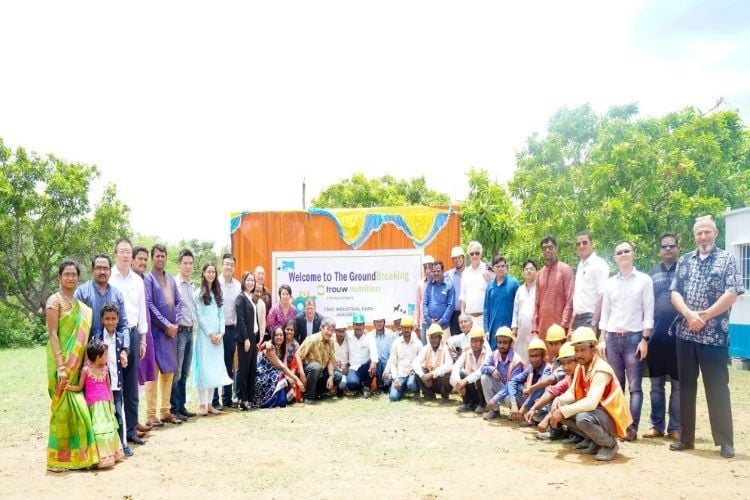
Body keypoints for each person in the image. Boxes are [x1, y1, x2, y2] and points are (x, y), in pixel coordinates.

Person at [669, 215, 744, 458]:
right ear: (695, 236)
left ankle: (725, 442)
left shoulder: (727, 259)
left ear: (715, 233)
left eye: (707, 232)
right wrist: (690, 315)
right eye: (699, 233)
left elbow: (732, 293)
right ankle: (686, 438)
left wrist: (706, 316)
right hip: (686, 333)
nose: (703, 237)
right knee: (686, 387)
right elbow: (675, 293)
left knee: (717, 388)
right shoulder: (684, 261)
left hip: (714, 337)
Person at [74, 254, 132, 456]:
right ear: (92, 270)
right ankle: (91, 450)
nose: (102, 271)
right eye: (98, 268)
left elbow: (124, 325)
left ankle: (118, 446)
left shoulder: (116, 294)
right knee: (91, 407)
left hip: (112, 363)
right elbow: (76, 326)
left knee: (115, 406)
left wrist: (124, 350)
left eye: (105, 268)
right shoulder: (82, 292)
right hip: (86, 361)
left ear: (110, 270)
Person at [45, 259, 99, 471]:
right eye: (66, 274)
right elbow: (53, 334)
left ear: (78, 278)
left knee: (77, 408)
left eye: (73, 274)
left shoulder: (81, 308)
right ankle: (56, 460)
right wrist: (60, 366)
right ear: (60, 277)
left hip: (77, 364)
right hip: (61, 363)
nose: (70, 277)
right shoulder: (54, 302)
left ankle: (76, 457)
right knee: (61, 409)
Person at [550, 327, 632, 462]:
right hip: (598, 414)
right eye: (576, 350)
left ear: (593, 350)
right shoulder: (581, 367)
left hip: (612, 417)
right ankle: (594, 441)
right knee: (560, 410)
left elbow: (591, 402)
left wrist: (563, 410)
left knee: (582, 417)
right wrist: (559, 400)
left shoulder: (601, 369)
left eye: (583, 350)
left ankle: (609, 444)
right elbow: (572, 392)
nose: (578, 354)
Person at [599, 239, 654, 442]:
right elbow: (605, 314)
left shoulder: (644, 280)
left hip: (634, 339)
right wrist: (602, 339)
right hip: (612, 338)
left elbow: (648, 313)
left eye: (626, 251)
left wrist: (645, 340)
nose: (623, 255)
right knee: (616, 386)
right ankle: (617, 425)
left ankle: (632, 428)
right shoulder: (610, 283)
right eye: (619, 252)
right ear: (615, 257)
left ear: (633, 253)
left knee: (635, 387)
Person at [109, 238, 150, 447]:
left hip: (133, 335)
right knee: (115, 383)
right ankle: (116, 431)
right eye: (122, 251)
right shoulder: (110, 279)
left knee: (132, 386)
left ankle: (131, 429)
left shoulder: (137, 281)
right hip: (112, 335)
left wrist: (143, 340)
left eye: (128, 252)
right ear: (115, 254)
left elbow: (142, 312)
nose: (126, 255)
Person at [64, 340, 124, 469]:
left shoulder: (105, 369)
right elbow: (80, 387)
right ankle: (99, 457)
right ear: (98, 357)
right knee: (97, 430)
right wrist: (69, 387)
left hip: (105, 406)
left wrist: (112, 403)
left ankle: (111, 454)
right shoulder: (86, 370)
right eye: (106, 355)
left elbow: (109, 387)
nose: (107, 358)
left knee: (109, 428)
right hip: (93, 406)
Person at [644, 233, 681, 440]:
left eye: (671, 246)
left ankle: (675, 427)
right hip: (656, 339)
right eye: (664, 246)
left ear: (677, 249)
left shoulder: (684, 271)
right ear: (659, 250)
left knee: (678, 386)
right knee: (656, 385)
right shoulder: (652, 274)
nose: (668, 249)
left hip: (679, 339)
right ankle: (657, 426)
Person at [143, 244, 182, 426]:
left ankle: (165, 411)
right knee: (154, 375)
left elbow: (179, 303)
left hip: (170, 335)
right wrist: (166, 325)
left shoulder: (172, 280)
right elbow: (149, 305)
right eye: (157, 256)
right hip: (155, 334)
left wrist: (175, 324)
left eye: (162, 255)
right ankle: (151, 414)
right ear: (152, 258)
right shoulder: (148, 280)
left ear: (166, 258)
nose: (160, 258)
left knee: (169, 374)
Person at [193, 262, 232, 416]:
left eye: (213, 272)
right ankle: (202, 404)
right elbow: (200, 317)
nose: (211, 274)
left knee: (214, 369)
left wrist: (221, 333)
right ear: (203, 273)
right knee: (204, 369)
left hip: (218, 337)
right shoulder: (198, 293)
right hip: (205, 337)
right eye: (208, 271)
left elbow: (221, 315)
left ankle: (210, 404)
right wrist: (210, 334)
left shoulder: (218, 292)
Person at [91, 303, 129, 454]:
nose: (111, 322)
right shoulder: (97, 338)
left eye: (114, 318)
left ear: (118, 319)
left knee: (119, 416)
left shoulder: (120, 339)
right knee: (104, 419)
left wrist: (125, 358)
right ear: (102, 319)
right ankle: (104, 450)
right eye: (107, 319)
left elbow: (124, 358)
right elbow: (93, 359)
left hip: (116, 385)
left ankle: (123, 446)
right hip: (101, 387)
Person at [527, 342, 578, 439]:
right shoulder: (569, 376)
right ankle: (564, 433)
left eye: (569, 362)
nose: (566, 367)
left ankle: (586, 438)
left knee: (582, 417)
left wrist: (546, 419)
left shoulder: (581, 375)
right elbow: (552, 391)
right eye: (563, 363)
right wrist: (533, 408)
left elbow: (568, 401)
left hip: (591, 414)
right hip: (574, 410)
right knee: (553, 398)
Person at [131, 246, 156, 436]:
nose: (143, 262)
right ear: (131, 260)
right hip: (129, 335)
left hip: (143, 334)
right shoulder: (126, 280)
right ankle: (131, 422)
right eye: (140, 259)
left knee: (140, 379)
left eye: (144, 259)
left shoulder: (143, 280)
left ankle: (136, 420)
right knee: (131, 379)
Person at [532, 236, 574, 340]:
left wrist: (564, 326)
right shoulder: (539, 274)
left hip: (559, 328)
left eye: (550, 247)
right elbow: (537, 303)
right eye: (544, 248)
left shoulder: (565, 270)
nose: (547, 250)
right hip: (542, 329)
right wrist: (534, 329)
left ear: (556, 249)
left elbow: (570, 300)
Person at [172, 249, 197, 421]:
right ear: (179, 264)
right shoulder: (174, 283)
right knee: (177, 372)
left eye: (190, 263)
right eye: (185, 263)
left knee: (186, 372)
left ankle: (182, 406)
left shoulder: (192, 284)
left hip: (190, 332)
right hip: (179, 332)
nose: (188, 266)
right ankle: (174, 408)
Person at [214, 254, 241, 410]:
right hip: (218, 330)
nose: (229, 267)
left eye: (231, 264)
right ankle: (215, 399)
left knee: (228, 363)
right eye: (226, 264)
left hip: (232, 329)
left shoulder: (238, 285)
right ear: (221, 265)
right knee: (216, 363)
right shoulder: (215, 283)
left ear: (234, 267)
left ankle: (227, 398)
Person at [253, 326, 305, 408]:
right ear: (273, 336)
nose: (279, 337)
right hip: (260, 377)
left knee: (286, 377)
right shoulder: (270, 348)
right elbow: (282, 367)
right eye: (276, 335)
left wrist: (291, 377)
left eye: (281, 335)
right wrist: (296, 379)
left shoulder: (281, 349)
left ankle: (285, 399)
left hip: (270, 375)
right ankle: (276, 402)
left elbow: (284, 365)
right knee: (281, 375)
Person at [481, 327, 525, 420]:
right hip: (503, 390)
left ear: (510, 343)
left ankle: (515, 411)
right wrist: (492, 369)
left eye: (505, 342)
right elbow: (483, 368)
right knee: (484, 377)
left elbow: (512, 385)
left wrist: (495, 399)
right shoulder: (495, 354)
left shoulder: (516, 361)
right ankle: (494, 411)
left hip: (513, 393)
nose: (501, 345)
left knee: (510, 397)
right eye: (499, 342)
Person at [506, 338, 552, 424]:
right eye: (532, 356)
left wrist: (523, 406)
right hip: (530, 401)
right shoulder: (530, 368)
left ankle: (528, 416)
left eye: (537, 356)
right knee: (509, 398)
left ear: (542, 356)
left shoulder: (547, 369)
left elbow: (538, 389)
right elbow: (512, 382)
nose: (534, 359)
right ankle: (521, 414)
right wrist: (514, 404)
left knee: (538, 412)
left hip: (541, 403)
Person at [571, 231, 610, 331]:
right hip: (577, 319)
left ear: (592, 243)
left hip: (590, 319)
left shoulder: (599, 264)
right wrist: (571, 325)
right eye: (578, 244)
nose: (581, 246)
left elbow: (602, 295)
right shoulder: (580, 265)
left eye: (584, 242)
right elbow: (578, 298)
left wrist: (594, 323)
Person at [297, 317, 340, 404]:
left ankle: (319, 393)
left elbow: (330, 360)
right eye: (327, 329)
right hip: (308, 371)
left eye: (332, 330)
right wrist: (301, 373)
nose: (329, 333)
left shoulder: (331, 342)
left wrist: (331, 376)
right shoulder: (312, 339)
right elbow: (298, 354)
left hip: (320, 372)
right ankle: (308, 396)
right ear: (321, 328)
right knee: (316, 367)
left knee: (338, 376)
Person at [236, 271, 260, 411]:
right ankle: (243, 399)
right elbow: (241, 320)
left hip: (253, 337)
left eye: (253, 280)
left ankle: (250, 399)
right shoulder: (240, 298)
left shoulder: (251, 298)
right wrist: (246, 338)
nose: (251, 282)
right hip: (245, 338)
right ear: (243, 281)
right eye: (248, 280)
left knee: (252, 368)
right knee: (244, 370)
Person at [484, 255, 519, 351]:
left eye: (503, 266)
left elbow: (518, 307)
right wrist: (486, 330)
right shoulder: (490, 286)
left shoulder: (514, 284)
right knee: (494, 358)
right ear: (493, 268)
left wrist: (515, 328)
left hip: (509, 329)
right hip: (493, 331)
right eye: (498, 266)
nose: (500, 269)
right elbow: (486, 309)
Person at [452, 327, 491, 413]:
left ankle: (482, 404)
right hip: (471, 387)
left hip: (483, 390)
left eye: (476, 341)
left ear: (482, 342)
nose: (473, 344)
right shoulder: (467, 352)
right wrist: (459, 382)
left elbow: (481, 370)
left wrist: (465, 381)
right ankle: (468, 403)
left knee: (481, 377)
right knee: (461, 373)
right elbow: (456, 366)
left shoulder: (488, 354)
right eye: (472, 341)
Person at [384, 316, 422, 401]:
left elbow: (421, 361)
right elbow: (393, 363)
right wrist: (395, 378)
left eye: (408, 327)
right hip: (400, 375)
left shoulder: (418, 343)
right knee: (393, 397)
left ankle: (415, 391)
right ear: (401, 328)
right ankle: (401, 389)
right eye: (404, 327)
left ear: (411, 328)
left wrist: (416, 372)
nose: (406, 330)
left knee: (411, 383)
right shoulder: (396, 343)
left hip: (412, 374)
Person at [413, 323, 454, 401]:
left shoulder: (446, 348)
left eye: (436, 337)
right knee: (418, 371)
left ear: (440, 338)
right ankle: (429, 395)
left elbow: (449, 365)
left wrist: (431, 374)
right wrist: (423, 376)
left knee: (447, 375)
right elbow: (415, 363)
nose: (433, 340)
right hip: (429, 382)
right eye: (431, 338)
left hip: (441, 382)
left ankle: (444, 396)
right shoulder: (426, 348)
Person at [460, 241, 492, 337]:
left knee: (484, 348)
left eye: (477, 253)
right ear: (469, 255)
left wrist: (489, 281)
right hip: (469, 319)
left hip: (484, 319)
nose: (474, 256)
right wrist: (462, 314)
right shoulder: (465, 272)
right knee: (469, 348)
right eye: (472, 253)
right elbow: (463, 295)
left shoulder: (487, 270)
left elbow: (493, 292)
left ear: (481, 254)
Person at [346, 312, 378, 397]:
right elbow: (337, 334)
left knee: (375, 361)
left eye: (360, 325)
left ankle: (367, 386)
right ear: (353, 325)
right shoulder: (347, 335)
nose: (358, 327)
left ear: (364, 326)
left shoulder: (369, 336)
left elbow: (374, 351)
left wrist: (374, 362)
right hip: (354, 368)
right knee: (352, 384)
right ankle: (360, 386)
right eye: (356, 324)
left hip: (366, 367)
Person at [422, 260, 455, 344]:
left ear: (443, 271)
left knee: (445, 352)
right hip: (430, 327)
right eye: (434, 271)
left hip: (444, 328)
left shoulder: (449, 286)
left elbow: (450, 306)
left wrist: (440, 322)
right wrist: (429, 320)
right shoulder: (430, 285)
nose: (436, 273)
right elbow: (425, 304)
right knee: (431, 353)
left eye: (438, 271)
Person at [511, 259, 537, 364]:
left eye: (532, 269)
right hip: (521, 332)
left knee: (535, 357)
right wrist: (514, 329)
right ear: (523, 272)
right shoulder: (520, 290)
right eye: (526, 269)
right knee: (521, 359)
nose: (529, 271)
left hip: (534, 332)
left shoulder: (540, 288)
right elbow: (515, 311)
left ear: (536, 271)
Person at [281, 319, 307, 402]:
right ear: (283, 330)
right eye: (287, 329)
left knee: (293, 383)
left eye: (292, 330)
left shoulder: (296, 345)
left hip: (292, 371)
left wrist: (291, 375)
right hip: (280, 369)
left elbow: (295, 364)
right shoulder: (279, 340)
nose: (289, 332)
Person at [371, 311, 395, 393]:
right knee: (376, 360)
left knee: (388, 381)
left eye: (381, 321)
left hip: (388, 363)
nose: (379, 324)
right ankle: (380, 386)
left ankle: (388, 385)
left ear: (384, 322)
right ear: (374, 323)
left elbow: (392, 354)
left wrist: (387, 369)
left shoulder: (390, 334)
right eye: (377, 322)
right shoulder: (370, 335)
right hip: (377, 364)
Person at [445, 246, 465, 336]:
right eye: (455, 258)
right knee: (455, 343)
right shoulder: (448, 275)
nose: (457, 260)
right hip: (453, 315)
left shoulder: (469, 273)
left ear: (463, 258)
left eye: (459, 257)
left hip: (467, 313)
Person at [415, 255, 434, 343]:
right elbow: (418, 304)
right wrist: (417, 321)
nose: (427, 270)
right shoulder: (420, 284)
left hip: (435, 321)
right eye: (425, 267)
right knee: (424, 347)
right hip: (423, 322)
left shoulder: (438, 282)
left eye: (429, 267)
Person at [332, 319, 350, 394]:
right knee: (342, 382)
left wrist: (348, 366)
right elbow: (328, 355)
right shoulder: (331, 340)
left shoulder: (349, 339)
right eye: (339, 331)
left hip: (347, 368)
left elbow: (353, 356)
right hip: (334, 369)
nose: (341, 334)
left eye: (343, 331)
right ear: (335, 331)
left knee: (350, 382)